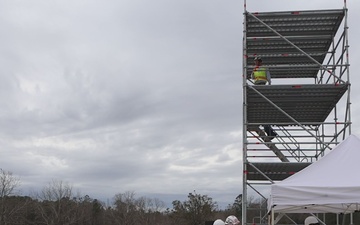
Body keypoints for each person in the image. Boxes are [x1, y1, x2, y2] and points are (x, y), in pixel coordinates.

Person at [251, 56, 277, 140]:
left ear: (260, 62)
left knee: (262, 111)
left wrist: (269, 86)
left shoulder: (264, 68)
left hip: (262, 86)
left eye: (257, 61)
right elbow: (252, 77)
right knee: (260, 111)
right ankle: (270, 132)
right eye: (255, 61)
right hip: (257, 86)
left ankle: (270, 132)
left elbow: (268, 77)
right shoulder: (254, 69)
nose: (256, 63)